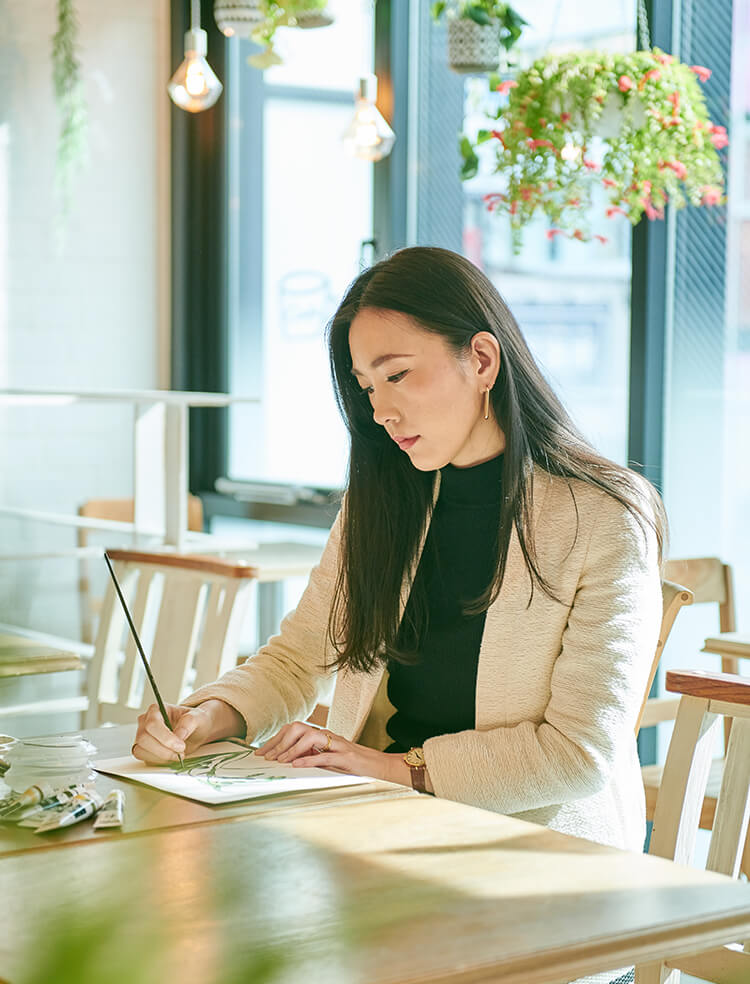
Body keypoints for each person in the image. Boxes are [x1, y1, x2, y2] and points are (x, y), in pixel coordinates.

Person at [133, 245, 665, 853]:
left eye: (398, 374)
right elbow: (298, 657)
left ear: (483, 359)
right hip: (375, 820)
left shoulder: (604, 516)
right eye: (366, 387)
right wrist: (207, 717)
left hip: (534, 848)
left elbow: (577, 753)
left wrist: (388, 768)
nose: (381, 410)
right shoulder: (383, 501)